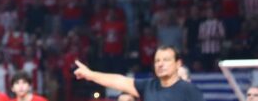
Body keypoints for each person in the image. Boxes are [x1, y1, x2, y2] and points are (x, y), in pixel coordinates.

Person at [73, 46, 204, 100]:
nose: (160, 64)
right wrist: (89, 74)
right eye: (157, 60)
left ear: (178, 64)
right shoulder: (148, 86)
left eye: (166, 60)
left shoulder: (189, 90)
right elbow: (119, 80)